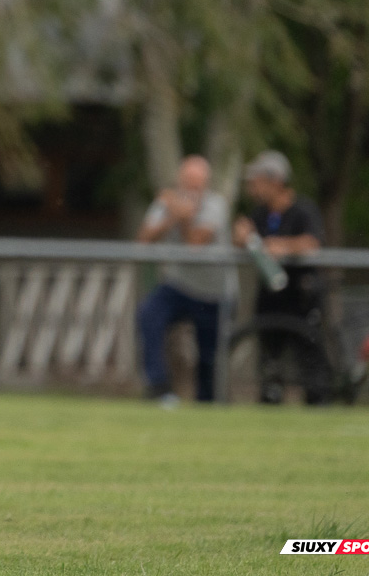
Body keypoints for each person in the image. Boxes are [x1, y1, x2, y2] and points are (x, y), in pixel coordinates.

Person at [232, 150, 329, 405]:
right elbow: (246, 235)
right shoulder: (260, 213)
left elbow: (312, 242)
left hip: (301, 295)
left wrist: (283, 246)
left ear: (275, 181)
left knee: (308, 356)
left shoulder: (303, 210)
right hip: (270, 297)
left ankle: (317, 406)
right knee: (269, 358)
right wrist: (242, 236)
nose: (253, 187)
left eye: (257, 181)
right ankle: (270, 401)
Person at [135, 155, 230, 406]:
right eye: (188, 182)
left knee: (208, 354)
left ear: (206, 184)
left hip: (212, 291)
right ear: (180, 180)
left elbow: (195, 245)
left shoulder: (216, 205)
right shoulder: (169, 201)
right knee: (149, 314)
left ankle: (207, 402)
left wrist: (185, 217)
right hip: (177, 285)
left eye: (197, 184)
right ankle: (158, 387)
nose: (192, 189)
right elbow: (144, 239)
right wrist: (172, 216)